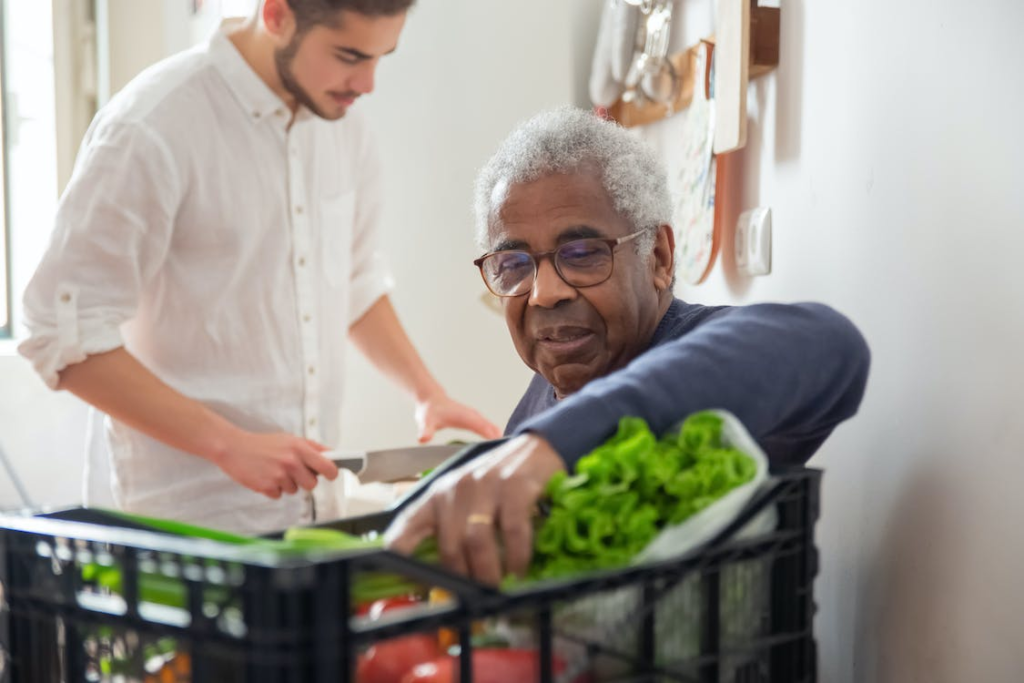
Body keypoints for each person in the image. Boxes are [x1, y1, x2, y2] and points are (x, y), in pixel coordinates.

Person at [18, 0, 500, 534]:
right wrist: (229, 445)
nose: (366, 83)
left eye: (381, 57)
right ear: (276, 15)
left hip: (313, 514)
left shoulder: (343, 124)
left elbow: (354, 280)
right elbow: (61, 335)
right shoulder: (150, 126)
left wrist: (426, 395)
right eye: (348, 55)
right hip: (180, 524)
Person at [386, 107, 871, 585]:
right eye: (514, 264)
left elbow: (831, 343)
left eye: (582, 254)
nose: (544, 292)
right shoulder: (540, 400)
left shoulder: (709, 359)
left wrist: (557, 443)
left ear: (658, 257)